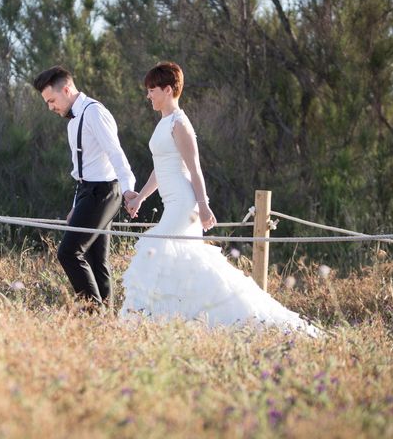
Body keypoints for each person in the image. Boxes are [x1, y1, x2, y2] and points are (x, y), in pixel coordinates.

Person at [121, 61, 317, 334]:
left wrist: (204, 206)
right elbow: (160, 167)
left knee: (154, 250)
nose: (148, 95)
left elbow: (195, 169)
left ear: (167, 90)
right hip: (170, 202)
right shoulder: (164, 123)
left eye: (152, 90)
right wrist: (141, 197)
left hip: (183, 204)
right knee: (176, 262)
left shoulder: (180, 123)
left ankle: (155, 319)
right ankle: (175, 322)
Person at [33, 66, 137, 311]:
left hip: (104, 192)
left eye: (52, 100)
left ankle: (93, 313)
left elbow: (115, 152)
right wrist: (75, 206)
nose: (50, 107)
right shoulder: (72, 122)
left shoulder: (94, 113)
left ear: (67, 90)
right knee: (95, 259)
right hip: (86, 192)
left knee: (68, 253)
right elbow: (81, 170)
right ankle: (106, 320)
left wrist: (129, 189)